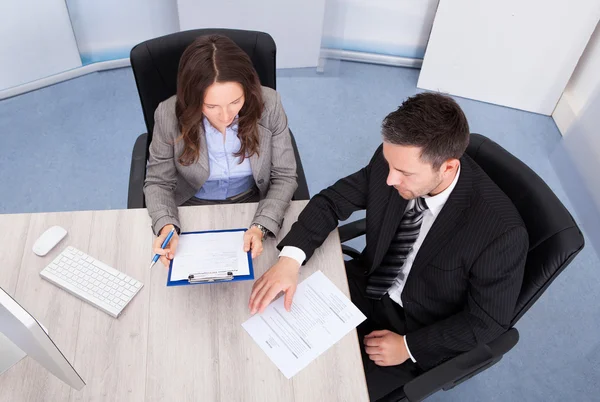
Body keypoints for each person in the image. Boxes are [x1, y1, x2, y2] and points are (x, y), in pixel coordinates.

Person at [248, 93, 528, 400]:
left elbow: (486, 322)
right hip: (368, 284)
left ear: (447, 168)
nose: (391, 179)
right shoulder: (394, 162)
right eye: (389, 164)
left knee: (326, 391)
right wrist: (290, 259)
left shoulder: (501, 234)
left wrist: (409, 347)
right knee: (263, 344)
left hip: (416, 327)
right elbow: (332, 201)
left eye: (405, 174)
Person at [144, 35, 297, 267]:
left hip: (254, 203)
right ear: (192, 99)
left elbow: (284, 176)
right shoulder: (167, 114)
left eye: (235, 102)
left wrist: (261, 226)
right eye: (211, 106)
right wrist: (166, 225)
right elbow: (158, 182)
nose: (226, 116)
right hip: (190, 207)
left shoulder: (270, 104)